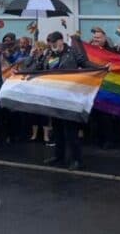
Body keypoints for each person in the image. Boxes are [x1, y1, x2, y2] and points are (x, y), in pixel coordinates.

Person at [28, 31, 89, 171]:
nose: (52, 45)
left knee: (70, 131)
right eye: (50, 43)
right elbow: (37, 69)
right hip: (53, 98)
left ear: (61, 40)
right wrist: (30, 63)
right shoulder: (48, 54)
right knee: (57, 130)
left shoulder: (72, 52)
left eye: (54, 43)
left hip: (69, 97)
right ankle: (59, 156)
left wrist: (101, 68)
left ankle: (76, 160)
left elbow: (84, 63)